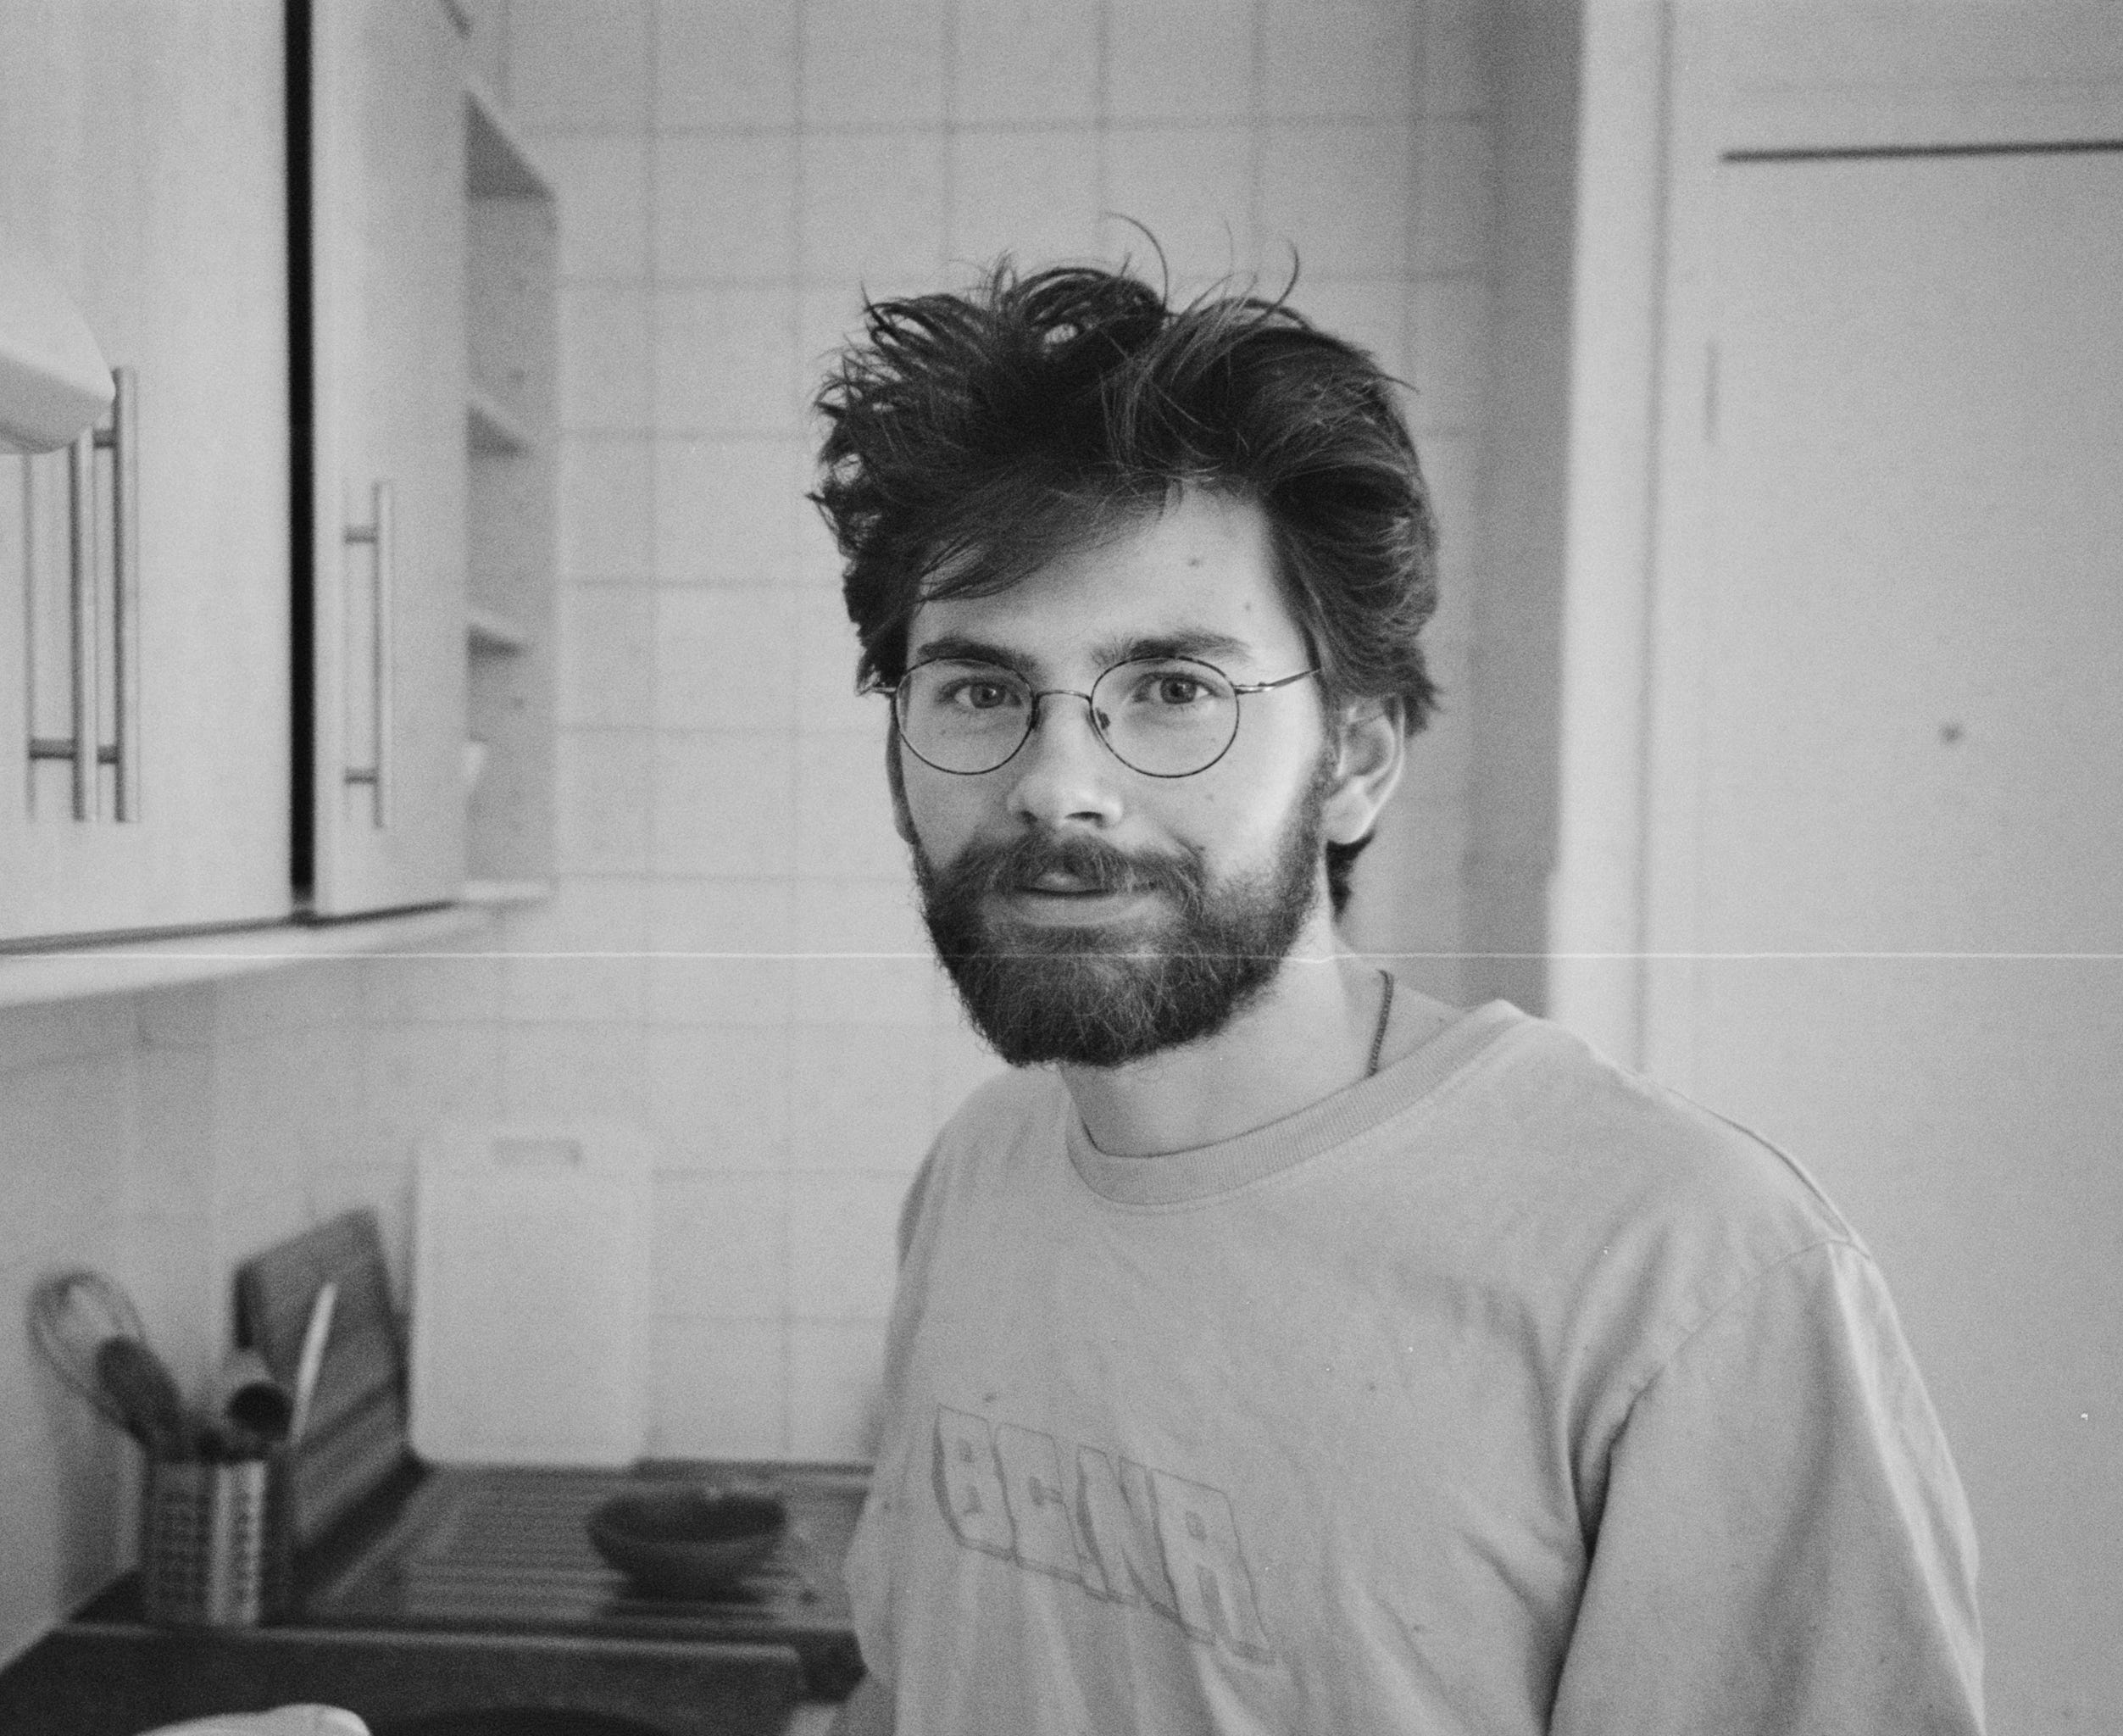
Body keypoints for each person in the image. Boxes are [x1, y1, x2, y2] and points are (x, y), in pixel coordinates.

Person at [808, 264, 1982, 1733]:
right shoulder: (981, 1171)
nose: (1057, 785)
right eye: (980, 692)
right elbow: (910, 1686)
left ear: (1354, 762)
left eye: (1172, 689)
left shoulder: (1688, 1278)